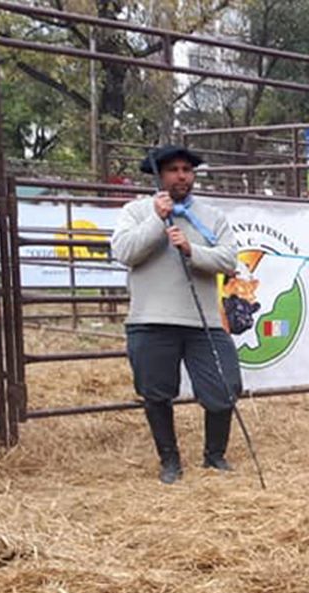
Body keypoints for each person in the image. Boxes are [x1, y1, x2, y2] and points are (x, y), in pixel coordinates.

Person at [110, 144, 241, 484]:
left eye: (187, 169)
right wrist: (156, 220)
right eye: (173, 169)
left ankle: (215, 457)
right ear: (159, 175)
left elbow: (229, 260)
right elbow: (125, 252)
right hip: (150, 319)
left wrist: (191, 250)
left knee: (225, 386)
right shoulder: (135, 211)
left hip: (205, 323)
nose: (182, 176)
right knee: (156, 393)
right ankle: (170, 461)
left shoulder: (212, 216)